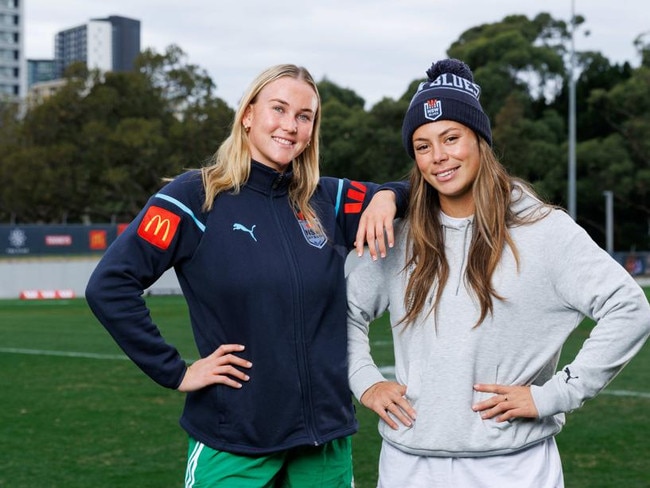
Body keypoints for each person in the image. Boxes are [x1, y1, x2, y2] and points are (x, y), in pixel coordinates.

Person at [85, 63, 408, 488]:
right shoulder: (193, 197)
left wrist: (386, 196)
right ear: (248, 114)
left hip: (324, 442)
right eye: (278, 109)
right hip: (234, 439)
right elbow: (109, 286)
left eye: (304, 116)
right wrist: (176, 371)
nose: (290, 126)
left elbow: (421, 191)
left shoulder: (327, 200)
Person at [346, 58, 650, 488]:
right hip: (408, 464)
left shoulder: (543, 229)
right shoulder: (399, 231)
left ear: (480, 140)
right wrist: (365, 381)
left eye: (452, 138)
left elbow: (629, 308)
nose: (439, 157)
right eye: (423, 145)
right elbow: (341, 310)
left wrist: (554, 395)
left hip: (513, 466)